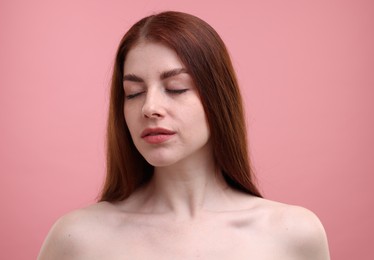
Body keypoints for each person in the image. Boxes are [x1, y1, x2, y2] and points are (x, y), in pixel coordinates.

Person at [38, 11, 330, 259]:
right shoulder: (76, 239)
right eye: (134, 93)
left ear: (218, 97)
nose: (150, 108)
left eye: (176, 87)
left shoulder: (293, 234)